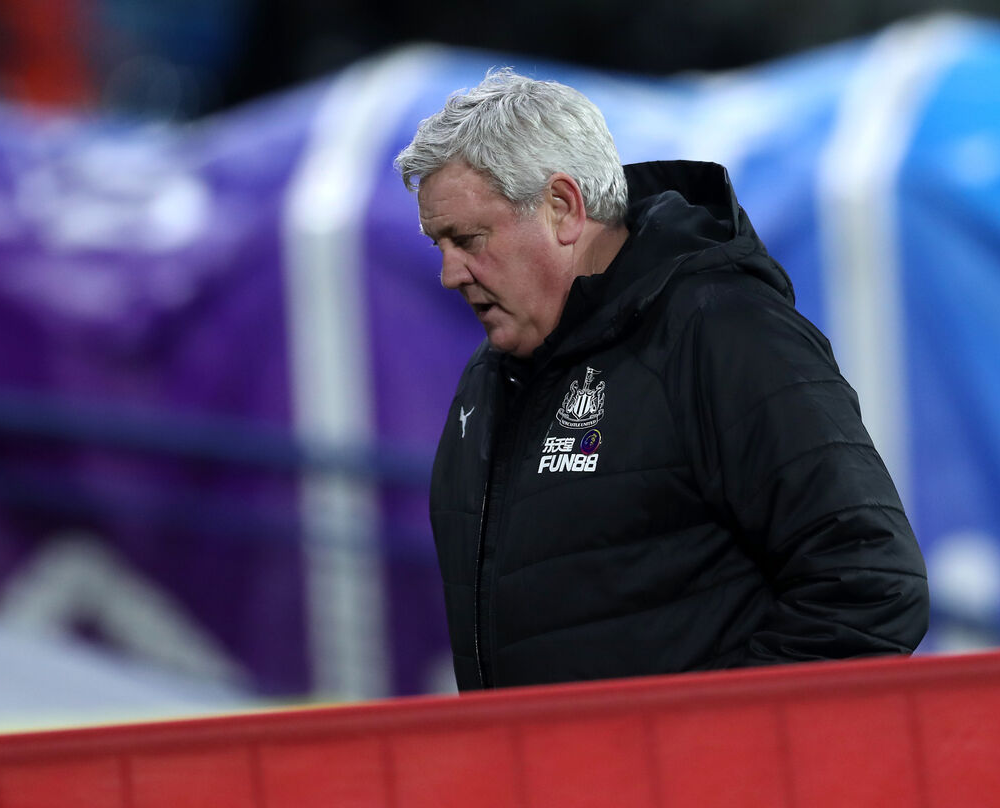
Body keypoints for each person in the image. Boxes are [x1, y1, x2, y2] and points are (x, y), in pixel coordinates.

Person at [395, 68, 929, 691]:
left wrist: (705, 757)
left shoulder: (724, 332)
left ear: (562, 208)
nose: (448, 274)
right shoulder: (488, 383)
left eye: (467, 239)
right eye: (439, 245)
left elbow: (871, 582)